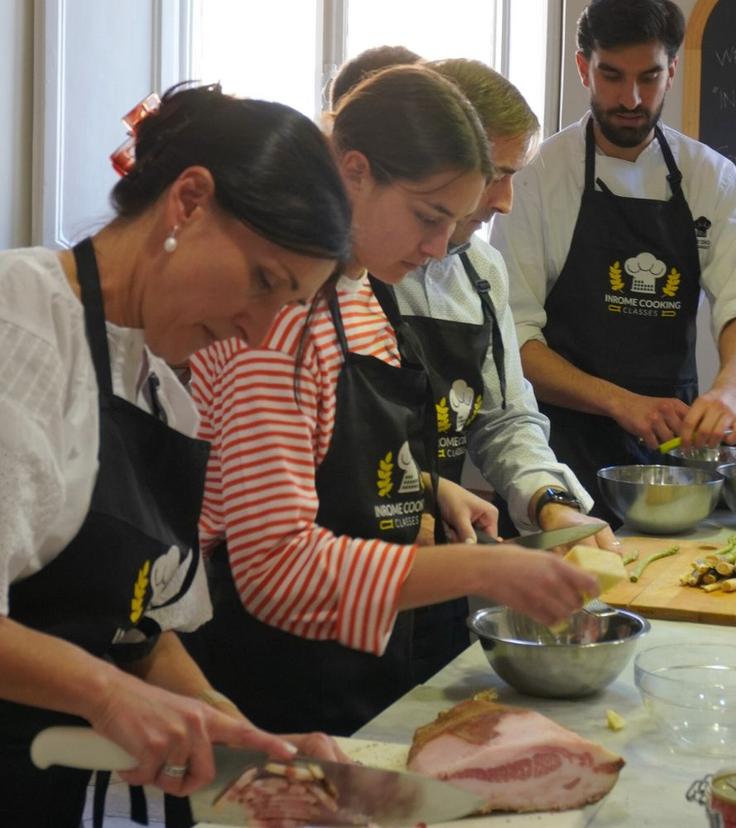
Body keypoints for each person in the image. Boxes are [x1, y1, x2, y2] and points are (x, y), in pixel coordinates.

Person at [187, 65, 600, 738]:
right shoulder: (279, 314)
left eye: (453, 222)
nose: (440, 246)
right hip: (275, 675)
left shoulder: (357, 295)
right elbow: (275, 566)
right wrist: (487, 568)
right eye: (428, 217)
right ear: (354, 174)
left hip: (367, 656)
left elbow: (336, 449)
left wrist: (426, 485)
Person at [0, 83, 353, 827]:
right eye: (264, 281)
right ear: (188, 202)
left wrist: (239, 735)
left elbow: (134, 630)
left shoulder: (161, 390)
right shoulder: (19, 327)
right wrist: (103, 694)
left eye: (285, 307)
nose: (259, 334)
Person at [330, 54, 619, 679]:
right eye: (496, 174)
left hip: (435, 572)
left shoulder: (482, 274)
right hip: (336, 584)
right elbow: (309, 467)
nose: (507, 201)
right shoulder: (345, 275)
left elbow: (504, 416)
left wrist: (548, 501)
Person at [490, 0, 736, 525]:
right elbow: (515, 339)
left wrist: (734, 386)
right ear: (584, 68)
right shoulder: (535, 180)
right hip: (560, 453)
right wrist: (619, 402)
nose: (631, 98)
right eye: (612, 76)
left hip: (677, 451)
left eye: (649, 77)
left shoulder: (711, 179)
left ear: (672, 69)